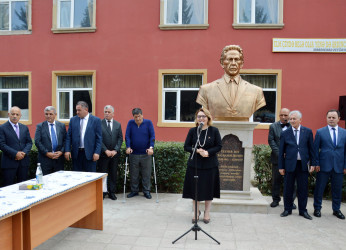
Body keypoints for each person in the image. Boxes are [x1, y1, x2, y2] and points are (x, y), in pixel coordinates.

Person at [196, 45, 266, 121]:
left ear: (241, 63)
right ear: (222, 63)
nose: (233, 63)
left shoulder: (256, 91)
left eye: (236, 59)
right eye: (229, 59)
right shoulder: (206, 90)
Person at [182, 108, 222, 224]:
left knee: (208, 190)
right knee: (195, 190)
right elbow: (186, 146)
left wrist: (208, 152)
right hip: (195, 165)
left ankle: (207, 212)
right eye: (199, 116)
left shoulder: (214, 130)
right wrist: (198, 151)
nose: (201, 118)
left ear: (208, 118)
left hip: (210, 165)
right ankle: (196, 211)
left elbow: (219, 146)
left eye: (203, 116)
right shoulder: (193, 131)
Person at [279, 110, 315, 220]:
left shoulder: (308, 132)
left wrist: (313, 164)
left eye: (294, 119)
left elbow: (312, 149)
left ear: (300, 120)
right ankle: (287, 209)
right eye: (291, 119)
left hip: (303, 165)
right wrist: (281, 166)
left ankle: (303, 211)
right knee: (288, 188)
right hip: (289, 164)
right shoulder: (285, 133)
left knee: (303, 189)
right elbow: (281, 152)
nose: (292, 121)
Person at [313, 109, 346, 220]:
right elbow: (315, 149)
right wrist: (316, 163)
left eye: (333, 117)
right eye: (329, 117)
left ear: (338, 119)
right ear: (326, 118)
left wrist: (345, 166)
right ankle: (317, 208)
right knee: (319, 188)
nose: (331, 119)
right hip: (323, 165)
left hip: (339, 166)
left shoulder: (344, 133)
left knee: (337, 189)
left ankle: (336, 210)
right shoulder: (320, 132)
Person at [268, 108, 297, 208]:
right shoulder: (273, 126)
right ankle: (275, 200)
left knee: (292, 182)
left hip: (291, 159)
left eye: (286, 115)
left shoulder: (294, 126)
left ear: (289, 116)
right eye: (282, 115)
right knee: (276, 181)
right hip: (277, 159)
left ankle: (290, 201)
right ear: (279, 115)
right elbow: (271, 141)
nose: (284, 117)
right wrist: (280, 154)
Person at [125, 108, 155, 199]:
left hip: (146, 153)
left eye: (139, 116)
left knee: (146, 173)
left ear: (142, 115)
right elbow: (127, 136)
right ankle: (134, 191)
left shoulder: (148, 123)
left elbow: (152, 136)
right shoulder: (130, 123)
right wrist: (128, 147)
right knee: (134, 174)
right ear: (133, 117)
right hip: (134, 153)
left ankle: (146, 191)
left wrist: (151, 148)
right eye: (135, 117)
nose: (137, 118)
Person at [65, 101, 102, 172]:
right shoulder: (73, 120)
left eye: (79, 110)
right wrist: (67, 150)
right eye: (76, 110)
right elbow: (68, 136)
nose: (77, 112)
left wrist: (97, 152)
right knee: (77, 176)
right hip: (77, 154)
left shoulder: (96, 120)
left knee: (90, 177)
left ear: (86, 110)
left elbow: (99, 138)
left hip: (90, 154)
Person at [0, 106, 32, 186]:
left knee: (23, 187)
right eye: (13, 114)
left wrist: (23, 153)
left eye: (17, 114)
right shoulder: (2, 128)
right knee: (8, 187)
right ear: (8, 114)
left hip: (23, 163)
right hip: (9, 163)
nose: (15, 116)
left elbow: (29, 143)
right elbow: (2, 144)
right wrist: (16, 153)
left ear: (20, 116)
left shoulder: (24, 127)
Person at [98, 105, 123, 200]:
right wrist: (105, 150)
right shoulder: (99, 123)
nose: (107, 114)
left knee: (113, 174)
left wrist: (115, 150)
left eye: (108, 112)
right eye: (105, 112)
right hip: (103, 154)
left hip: (114, 155)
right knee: (103, 174)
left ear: (113, 113)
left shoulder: (117, 124)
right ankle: (103, 192)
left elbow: (120, 138)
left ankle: (112, 192)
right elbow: (99, 139)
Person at [34, 106, 67, 175]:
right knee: (45, 182)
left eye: (50, 114)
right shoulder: (40, 126)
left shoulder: (61, 126)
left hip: (59, 159)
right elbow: (37, 141)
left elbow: (65, 140)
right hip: (45, 160)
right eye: (46, 114)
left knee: (58, 181)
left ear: (55, 114)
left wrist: (61, 151)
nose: (48, 116)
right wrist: (47, 153)